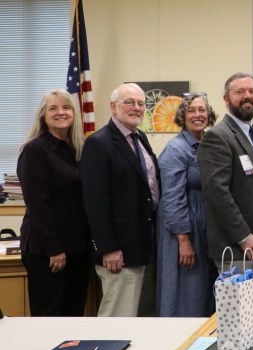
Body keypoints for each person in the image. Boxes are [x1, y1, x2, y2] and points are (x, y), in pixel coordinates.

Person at [198, 73, 253, 296]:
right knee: (239, 318)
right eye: (240, 92)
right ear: (226, 99)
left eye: (252, 92)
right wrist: (243, 236)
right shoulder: (218, 136)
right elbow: (217, 192)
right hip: (238, 247)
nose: (248, 96)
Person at [81, 83, 160, 317]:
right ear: (113, 107)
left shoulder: (140, 138)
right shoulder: (99, 143)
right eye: (129, 102)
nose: (136, 108)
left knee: (134, 317)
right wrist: (108, 248)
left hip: (141, 244)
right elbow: (95, 201)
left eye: (140, 103)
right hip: (118, 251)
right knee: (118, 318)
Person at [17, 89, 89, 316]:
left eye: (66, 107)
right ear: (43, 115)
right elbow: (37, 204)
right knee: (49, 319)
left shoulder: (78, 150)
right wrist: (55, 249)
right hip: (48, 252)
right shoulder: (35, 150)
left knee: (74, 317)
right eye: (53, 108)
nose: (61, 112)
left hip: (78, 248)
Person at [156, 92, 217, 317]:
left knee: (203, 290)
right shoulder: (176, 149)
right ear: (182, 116)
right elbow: (172, 197)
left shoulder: (208, 144)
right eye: (191, 110)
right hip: (182, 229)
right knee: (186, 290)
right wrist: (184, 239)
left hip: (204, 225)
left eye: (202, 110)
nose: (197, 115)